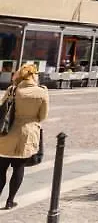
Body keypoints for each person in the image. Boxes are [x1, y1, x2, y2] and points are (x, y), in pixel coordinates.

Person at [0, 64, 48, 209]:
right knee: (18, 168)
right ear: (34, 76)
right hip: (27, 134)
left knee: (1, 169)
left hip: (6, 133)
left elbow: (2, 109)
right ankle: (10, 201)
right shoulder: (41, 92)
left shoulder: (12, 90)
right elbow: (43, 115)